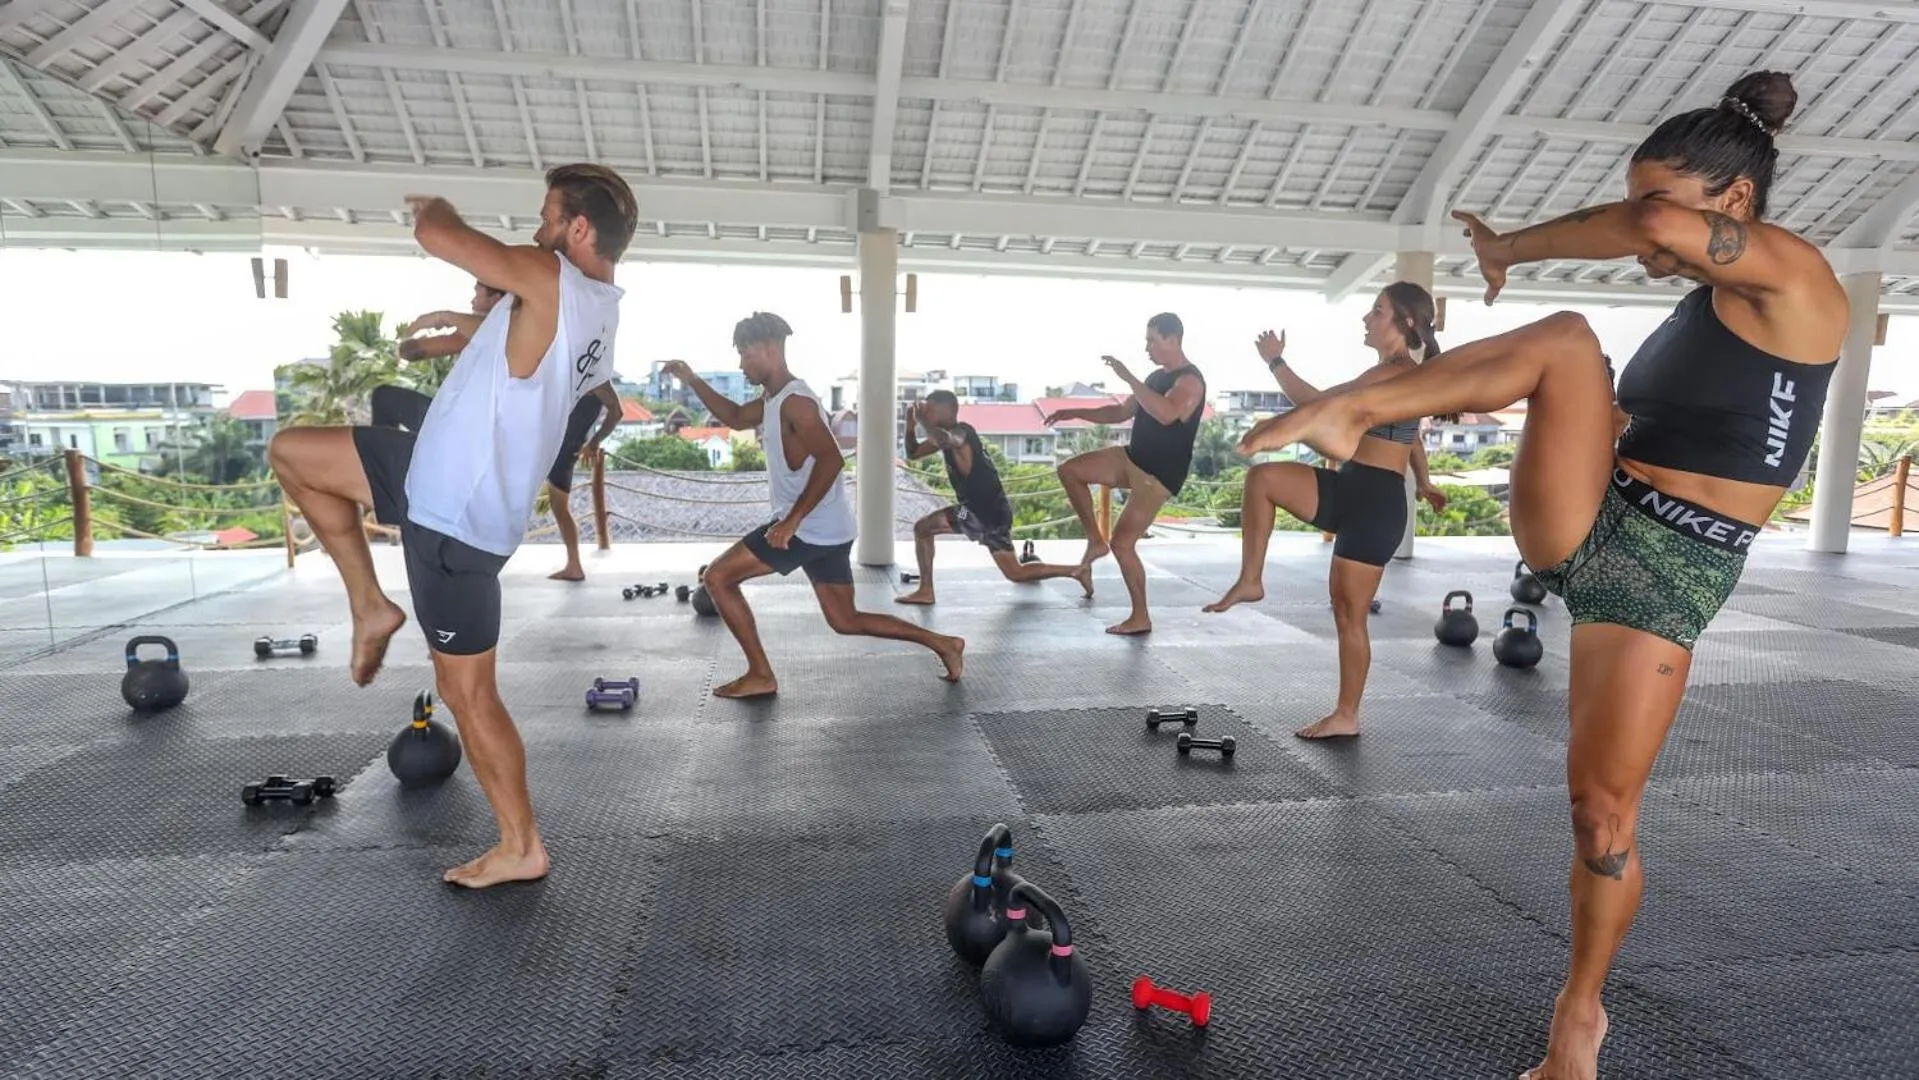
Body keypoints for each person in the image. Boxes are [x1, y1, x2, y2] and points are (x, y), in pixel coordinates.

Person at [1240, 73, 1844, 1080]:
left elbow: (1651, 222)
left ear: (1731, 205)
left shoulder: (1799, 282)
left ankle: (1578, 1016)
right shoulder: (1700, 307)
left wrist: (1520, 244)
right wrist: (1512, 289)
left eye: (1661, 220)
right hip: (1590, 513)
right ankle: (1353, 408)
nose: (1648, 249)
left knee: (1601, 815)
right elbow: (1629, 394)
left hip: (1668, 578)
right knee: (1563, 341)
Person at [268, 163, 639, 889]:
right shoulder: (597, 306)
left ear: (579, 228)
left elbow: (438, 233)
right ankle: (370, 606)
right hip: (427, 472)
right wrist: (456, 332)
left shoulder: (548, 276)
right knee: (293, 452)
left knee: (469, 695)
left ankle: (519, 845)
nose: (537, 230)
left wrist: (426, 200)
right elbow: (532, 343)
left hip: (454, 519)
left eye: (547, 216)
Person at [663, 313, 966, 698]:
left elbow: (832, 459)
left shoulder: (797, 402)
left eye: (745, 354)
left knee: (718, 578)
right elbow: (736, 418)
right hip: (830, 528)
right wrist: (691, 379)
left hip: (808, 529)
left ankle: (760, 673)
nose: (741, 364)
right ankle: (944, 644)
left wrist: (791, 522)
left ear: (770, 350)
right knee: (845, 619)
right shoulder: (774, 399)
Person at [1204, 283, 1449, 739]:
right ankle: (1251, 579)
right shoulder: (1392, 375)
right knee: (1264, 480)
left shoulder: (1394, 372)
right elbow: (1412, 435)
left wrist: (1275, 361)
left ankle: (1347, 715)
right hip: (1349, 484)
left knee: (1348, 615)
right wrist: (1428, 482)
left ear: (1406, 324)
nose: (1366, 319)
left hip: (1376, 505)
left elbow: (1318, 404)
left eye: (1377, 312)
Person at [379, 284, 624, 581]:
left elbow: (615, 408)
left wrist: (594, 441)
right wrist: (405, 342)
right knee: (385, 399)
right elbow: (417, 351)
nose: (471, 299)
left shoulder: (525, 335)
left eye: (478, 292)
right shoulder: (488, 332)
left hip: (509, 438)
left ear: (499, 299)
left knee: (558, 506)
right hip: (490, 436)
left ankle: (574, 564)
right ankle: (399, 484)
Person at [1044, 313, 1207, 635]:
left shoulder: (1190, 381)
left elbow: (1166, 414)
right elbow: (1120, 412)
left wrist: (1128, 377)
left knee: (1123, 544)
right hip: (1132, 458)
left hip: (1157, 475)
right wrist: (1074, 411)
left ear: (1172, 340)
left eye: (1152, 340)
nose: (1147, 347)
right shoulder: (1155, 377)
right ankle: (1094, 540)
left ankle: (1140, 617)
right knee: (1070, 470)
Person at [897, 390, 1092, 604]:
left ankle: (926, 590)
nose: (926, 412)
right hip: (982, 511)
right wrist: (910, 426)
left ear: (947, 410)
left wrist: (923, 420)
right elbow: (913, 453)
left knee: (923, 528)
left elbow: (944, 440)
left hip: (980, 513)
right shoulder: (944, 436)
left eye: (931, 408)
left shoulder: (961, 432)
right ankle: (1076, 570)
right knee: (1015, 572)